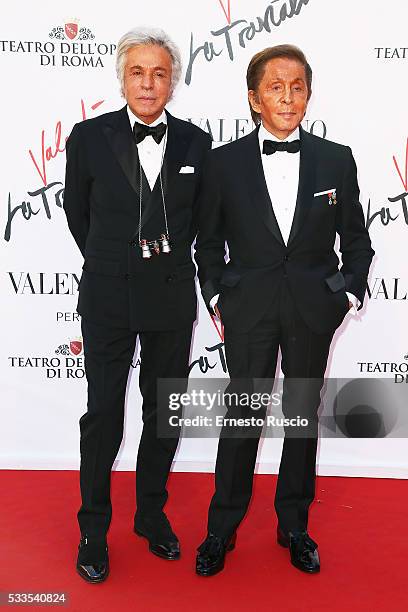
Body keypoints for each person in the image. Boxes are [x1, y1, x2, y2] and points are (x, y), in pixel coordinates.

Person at [194, 44, 374, 576]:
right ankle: (220, 529)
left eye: (297, 86)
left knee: (301, 419)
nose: (288, 97)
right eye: (275, 87)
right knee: (242, 416)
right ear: (254, 98)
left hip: (311, 310)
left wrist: (346, 295)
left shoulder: (335, 158)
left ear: (309, 94)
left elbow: (358, 243)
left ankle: (294, 525)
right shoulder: (222, 163)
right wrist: (219, 295)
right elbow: (208, 243)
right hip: (248, 309)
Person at [64, 26, 212, 583]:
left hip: (171, 297)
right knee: (103, 415)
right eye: (137, 72)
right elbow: (79, 213)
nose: (147, 84)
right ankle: (93, 530)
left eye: (158, 73)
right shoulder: (87, 136)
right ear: (121, 77)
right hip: (106, 295)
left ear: (172, 80)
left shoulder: (198, 144)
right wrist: (113, 260)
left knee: (163, 414)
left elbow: (200, 221)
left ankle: (151, 514)